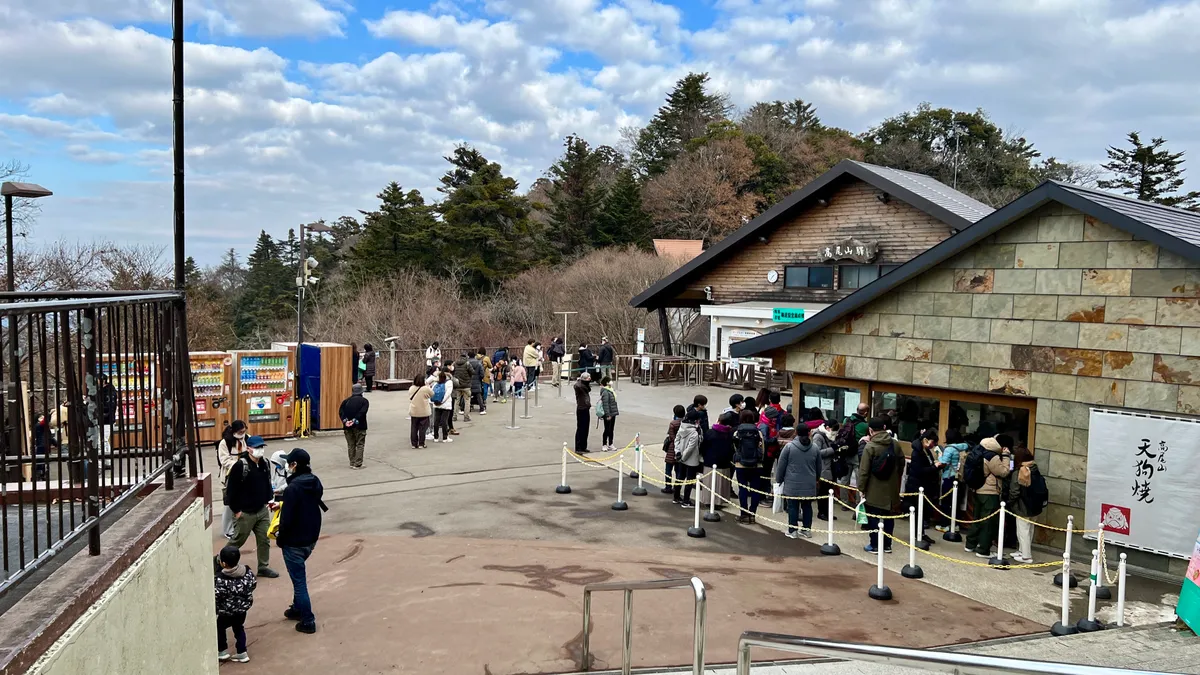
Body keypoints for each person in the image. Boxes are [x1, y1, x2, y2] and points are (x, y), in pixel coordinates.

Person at [276, 448, 324, 635]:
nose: (287, 466)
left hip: (294, 541)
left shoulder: (293, 489)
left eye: (289, 463)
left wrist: (281, 538)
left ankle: (307, 620)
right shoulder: (314, 482)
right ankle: (297, 608)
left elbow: (286, 520)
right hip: (311, 537)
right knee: (298, 576)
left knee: (299, 582)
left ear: (294, 465)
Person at [225, 434, 279, 578]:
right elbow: (231, 491)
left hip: (261, 510)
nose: (260, 450)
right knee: (237, 541)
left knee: (264, 539)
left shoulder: (265, 463)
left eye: (261, 447)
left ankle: (263, 567)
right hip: (245, 513)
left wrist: (269, 500)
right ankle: (220, 563)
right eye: (257, 447)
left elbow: (267, 484)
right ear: (249, 449)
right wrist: (236, 511)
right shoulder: (240, 466)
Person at [774, 416, 832, 539]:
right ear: (809, 433)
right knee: (807, 506)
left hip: (792, 483)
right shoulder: (815, 448)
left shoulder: (789, 447)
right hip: (809, 483)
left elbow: (781, 466)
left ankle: (792, 530)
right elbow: (818, 467)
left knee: (793, 507)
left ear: (796, 433)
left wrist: (779, 480)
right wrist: (817, 479)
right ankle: (806, 530)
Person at [858, 417, 903, 554]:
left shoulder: (870, 447)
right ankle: (887, 545)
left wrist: (861, 488)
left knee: (873, 517)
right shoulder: (894, 444)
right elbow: (901, 463)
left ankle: (875, 545)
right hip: (891, 488)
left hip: (874, 489)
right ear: (884, 428)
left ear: (870, 430)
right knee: (889, 518)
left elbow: (864, 471)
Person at [965, 435, 1013, 559]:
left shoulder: (980, 449)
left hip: (978, 488)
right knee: (988, 522)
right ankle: (983, 549)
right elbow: (1003, 471)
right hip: (990, 491)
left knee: (977, 519)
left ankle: (970, 544)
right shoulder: (992, 456)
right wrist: (1007, 457)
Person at [214, 545, 256, 663]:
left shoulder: (221, 578)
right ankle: (242, 652)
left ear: (223, 563)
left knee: (220, 628)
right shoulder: (247, 571)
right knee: (239, 628)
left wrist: (216, 608)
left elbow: (217, 595)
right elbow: (253, 584)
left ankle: (222, 651)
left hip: (226, 611)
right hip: (242, 609)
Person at [906, 429, 942, 544]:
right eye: (933, 442)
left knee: (924, 511)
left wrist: (937, 466)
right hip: (917, 485)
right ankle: (917, 534)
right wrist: (935, 467)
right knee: (917, 511)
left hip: (925, 485)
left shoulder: (925, 450)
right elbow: (919, 471)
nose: (933, 445)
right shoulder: (917, 452)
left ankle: (921, 533)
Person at [1007, 446, 1039, 563]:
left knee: (1022, 530)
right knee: (1030, 529)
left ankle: (1026, 556)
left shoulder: (1020, 471)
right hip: (1036, 504)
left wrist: (1010, 502)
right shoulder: (1034, 468)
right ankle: (1022, 551)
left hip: (1023, 505)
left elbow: (1014, 491)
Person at [217, 420, 249, 539]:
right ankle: (228, 529)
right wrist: (238, 466)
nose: (242, 434)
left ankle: (242, 525)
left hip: (245, 473)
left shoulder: (247, 439)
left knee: (245, 500)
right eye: (240, 432)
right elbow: (224, 460)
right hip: (230, 474)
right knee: (229, 502)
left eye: (244, 431)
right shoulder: (225, 443)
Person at [733, 409, 765, 524]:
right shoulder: (758, 432)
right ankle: (752, 514)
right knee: (755, 490)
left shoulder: (737, 432)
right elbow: (762, 449)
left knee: (743, 489)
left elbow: (735, 448)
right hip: (756, 465)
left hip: (741, 464)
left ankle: (743, 514)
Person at [936, 429, 969, 531]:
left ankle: (945, 525)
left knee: (946, 502)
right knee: (956, 503)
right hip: (959, 477)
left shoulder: (949, 449)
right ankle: (956, 525)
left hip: (949, 477)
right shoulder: (964, 447)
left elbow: (943, 462)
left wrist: (939, 455)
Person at [702, 410, 736, 507]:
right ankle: (720, 501)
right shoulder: (730, 434)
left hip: (710, 461)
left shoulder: (710, 432)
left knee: (709, 482)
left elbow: (703, 446)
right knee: (722, 483)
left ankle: (708, 500)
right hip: (724, 462)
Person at [672, 409, 703, 506]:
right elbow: (691, 447)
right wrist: (684, 457)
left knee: (680, 477)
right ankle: (686, 500)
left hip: (680, 457)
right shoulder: (695, 432)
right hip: (691, 460)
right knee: (689, 480)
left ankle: (676, 497)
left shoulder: (682, 427)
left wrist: (678, 453)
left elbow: (676, 440)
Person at [812, 419, 840, 521]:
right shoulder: (818, 436)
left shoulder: (830, 435)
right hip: (823, 468)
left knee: (829, 491)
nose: (834, 433)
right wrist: (833, 449)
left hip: (830, 466)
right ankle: (822, 512)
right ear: (827, 428)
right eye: (833, 430)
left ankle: (828, 512)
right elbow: (816, 452)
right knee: (823, 491)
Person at [338, 383, 369, 469]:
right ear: (361, 392)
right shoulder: (364, 401)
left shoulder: (346, 401)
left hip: (347, 427)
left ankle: (352, 462)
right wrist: (354, 420)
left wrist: (346, 421)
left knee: (351, 445)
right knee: (360, 444)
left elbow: (341, 412)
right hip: (360, 426)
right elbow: (362, 412)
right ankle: (358, 463)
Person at [662, 404, 685, 494]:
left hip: (672, 448)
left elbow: (671, 437)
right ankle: (677, 487)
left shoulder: (673, 424)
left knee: (668, 470)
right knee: (678, 470)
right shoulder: (685, 423)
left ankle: (668, 486)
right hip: (681, 448)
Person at [408, 373, 433, 449]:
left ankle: (414, 443)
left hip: (414, 410)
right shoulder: (425, 389)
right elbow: (432, 394)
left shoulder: (411, 388)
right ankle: (421, 443)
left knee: (414, 427)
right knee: (422, 428)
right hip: (423, 411)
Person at [430, 370, 454, 443]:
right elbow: (448, 394)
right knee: (444, 421)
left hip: (436, 404)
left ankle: (436, 437)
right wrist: (442, 401)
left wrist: (436, 402)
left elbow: (432, 392)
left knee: (436, 420)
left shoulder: (435, 384)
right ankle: (445, 437)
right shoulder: (449, 383)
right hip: (445, 404)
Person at [573, 372, 592, 454]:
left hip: (586, 407)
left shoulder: (586, 386)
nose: (590, 379)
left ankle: (584, 446)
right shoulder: (579, 386)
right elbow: (577, 386)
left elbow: (588, 389)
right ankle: (578, 447)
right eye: (588, 378)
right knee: (581, 428)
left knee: (586, 428)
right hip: (581, 408)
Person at [599, 376, 618, 452]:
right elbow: (605, 404)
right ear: (607, 383)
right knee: (607, 429)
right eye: (610, 380)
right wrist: (608, 414)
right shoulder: (605, 392)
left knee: (611, 429)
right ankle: (604, 444)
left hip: (613, 412)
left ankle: (611, 443)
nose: (611, 382)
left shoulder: (611, 390)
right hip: (608, 414)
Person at [451, 354, 471, 422]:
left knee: (456, 401)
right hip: (466, 386)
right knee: (467, 401)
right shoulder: (467, 364)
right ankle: (466, 417)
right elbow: (472, 372)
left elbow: (452, 372)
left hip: (457, 385)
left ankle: (454, 416)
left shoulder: (455, 364)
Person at [468, 351, 487, 415]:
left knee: (466, 395)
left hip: (468, 382)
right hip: (477, 382)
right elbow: (482, 374)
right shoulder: (478, 363)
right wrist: (480, 378)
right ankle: (482, 409)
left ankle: (463, 408)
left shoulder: (467, 363)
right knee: (479, 395)